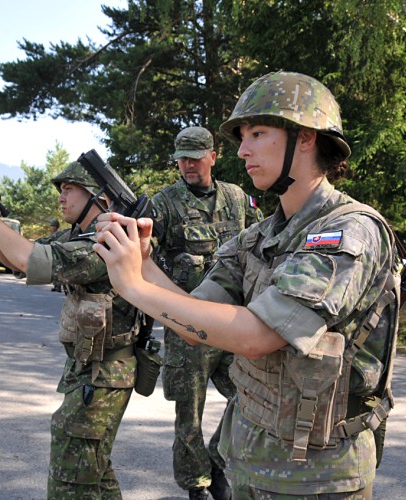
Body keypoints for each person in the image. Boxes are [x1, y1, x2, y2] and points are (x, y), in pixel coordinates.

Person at [95, 72, 401, 498]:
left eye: (257, 133)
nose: (242, 150)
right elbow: (193, 317)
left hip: (315, 479)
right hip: (250, 465)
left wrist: (134, 286)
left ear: (307, 138)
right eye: (242, 136)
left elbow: (257, 337)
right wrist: (144, 262)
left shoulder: (347, 231)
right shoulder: (258, 238)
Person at [0, 161, 142, 499]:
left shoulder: (105, 244)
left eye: (69, 189)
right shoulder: (76, 236)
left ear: (98, 196)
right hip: (88, 367)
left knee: (71, 476)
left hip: (104, 372)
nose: (61, 197)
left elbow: (27, 259)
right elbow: (14, 260)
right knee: (93, 468)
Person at [152, 126, 261, 500]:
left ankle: (214, 461)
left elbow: (257, 248)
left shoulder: (236, 198)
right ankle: (196, 485)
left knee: (250, 399)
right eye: (182, 158)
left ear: (213, 157)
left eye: (195, 158)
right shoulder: (164, 203)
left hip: (232, 325)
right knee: (188, 417)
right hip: (188, 330)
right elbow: (144, 252)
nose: (188, 165)